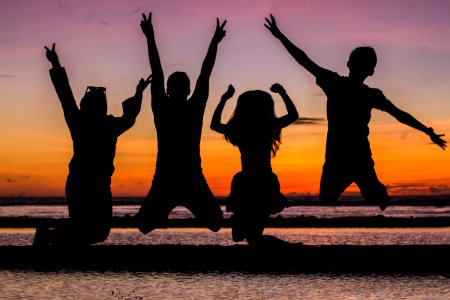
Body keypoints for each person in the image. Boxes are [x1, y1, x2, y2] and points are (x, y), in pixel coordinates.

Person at [264, 15, 447, 211]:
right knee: (327, 198)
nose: (359, 67)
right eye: (358, 62)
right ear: (352, 65)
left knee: (367, 197)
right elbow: (304, 61)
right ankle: (377, 191)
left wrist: (427, 130)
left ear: (366, 70)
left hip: (358, 157)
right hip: (337, 157)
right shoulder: (336, 84)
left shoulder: (364, 92)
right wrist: (280, 36)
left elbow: (399, 114)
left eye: (363, 65)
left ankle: (378, 191)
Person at [33, 43, 151, 246]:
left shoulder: (96, 122)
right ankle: (50, 238)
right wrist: (138, 93)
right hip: (82, 184)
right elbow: (66, 95)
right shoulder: (90, 122)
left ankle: (49, 236)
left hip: (96, 184)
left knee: (96, 232)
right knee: (90, 232)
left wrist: (56, 63)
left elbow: (66, 95)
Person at [134, 13, 226, 233]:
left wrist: (150, 36)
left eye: (179, 86)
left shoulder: (185, 107)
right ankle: (162, 213)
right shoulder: (172, 107)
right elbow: (200, 74)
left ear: (186, 90)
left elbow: (203, 73)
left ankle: (163, 213)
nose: (177, 89)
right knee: (143, 225)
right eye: (176, 85)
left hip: (189, 176)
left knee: (216, 222)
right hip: (170, 177)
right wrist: (150, 37)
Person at [210, 83, 299, 245]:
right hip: (263, 182)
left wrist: (224, 99)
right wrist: (283, 93)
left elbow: (214, 124)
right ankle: (287, 248)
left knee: (249, 236)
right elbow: (293, 115)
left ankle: (288, 248)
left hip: (248, 182)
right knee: (251, 235)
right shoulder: (268, 126)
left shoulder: (241, 128)